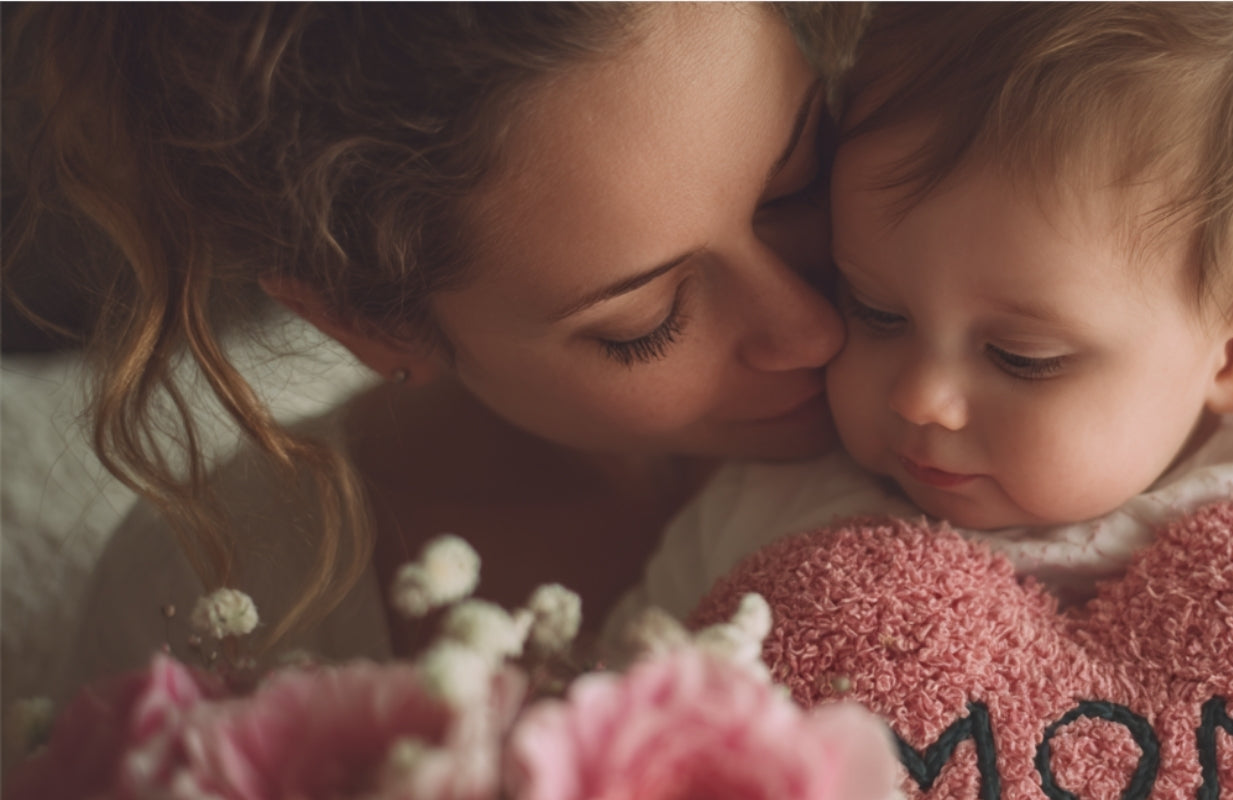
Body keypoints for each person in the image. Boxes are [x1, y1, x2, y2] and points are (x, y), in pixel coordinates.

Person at [613, 5, 1233, 800]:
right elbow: (616, 701)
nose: (920, 393)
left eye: (1021, 354)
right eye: (872, 307)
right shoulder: (784, 503)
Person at [7, 2, 866, 689]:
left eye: (798, 181)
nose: (813, 330)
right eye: (645, 324)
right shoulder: (211, 610)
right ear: (372, 326)